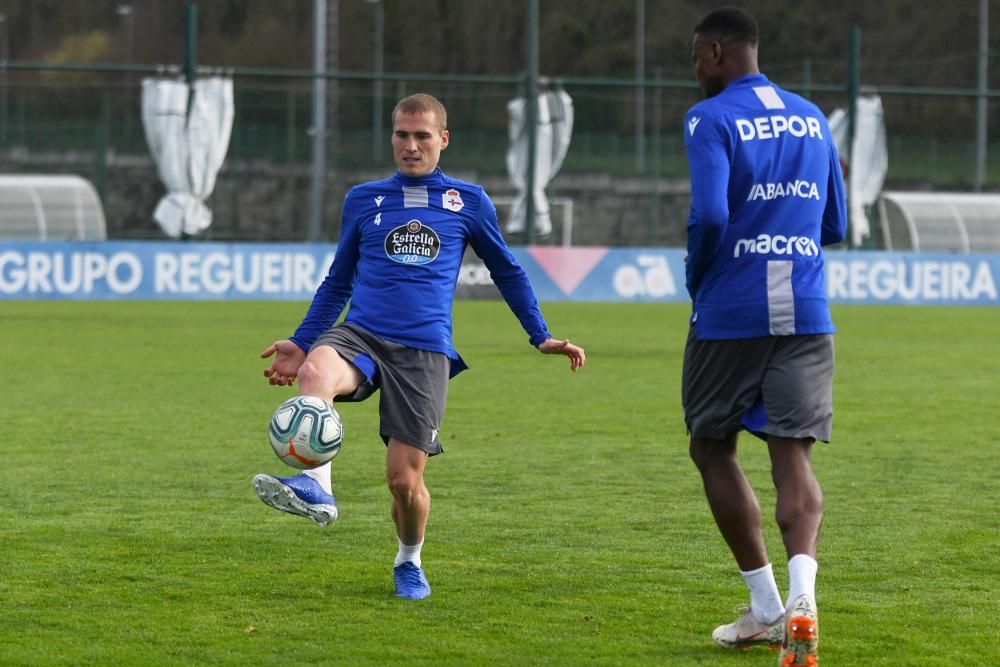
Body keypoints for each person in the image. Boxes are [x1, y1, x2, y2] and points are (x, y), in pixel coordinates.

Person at [253, 93, 586, 601]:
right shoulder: (363, 199)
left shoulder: (467, 201)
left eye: (422, 136)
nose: (410, 146)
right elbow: (338, 280)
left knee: (404, 483)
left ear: (443, 139)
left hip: (423, 349)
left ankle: (409, 559)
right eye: (401, 136)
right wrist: (301, 342)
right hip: (360, 333)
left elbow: (507, 271)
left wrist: (539, 334)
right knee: (315, 374)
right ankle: (318, 486)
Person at [682, 6, 846, 666]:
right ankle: (802, 596)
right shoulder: (814, 117)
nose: (695, 68)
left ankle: (766, 606)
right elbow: (833, 222)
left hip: (732, 308)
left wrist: (699, 274)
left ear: (719, 52)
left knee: (711, 444)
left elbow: (711, 212)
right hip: (806, 307)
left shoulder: (710, 117)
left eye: (697, 55)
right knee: (793, 456)